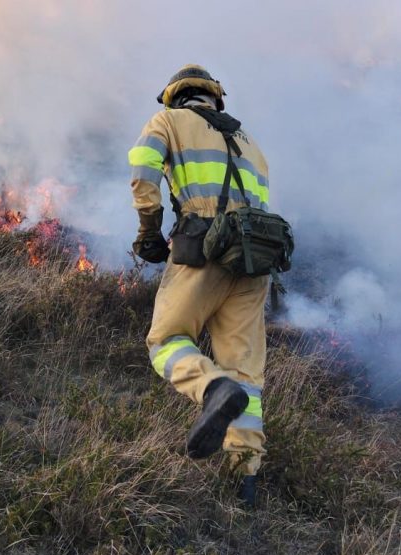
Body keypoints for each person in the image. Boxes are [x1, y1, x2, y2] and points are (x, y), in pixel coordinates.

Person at [127, 65, 272, 507]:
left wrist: (149, 232)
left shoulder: (167, 121)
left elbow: (143, 173)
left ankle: (210, 388)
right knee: (246, 374)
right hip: (253, 263)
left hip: (204, 247)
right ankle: (244, 477)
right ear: (215, 98)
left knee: (166, 341)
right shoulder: (249, 141)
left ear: (175, 96)